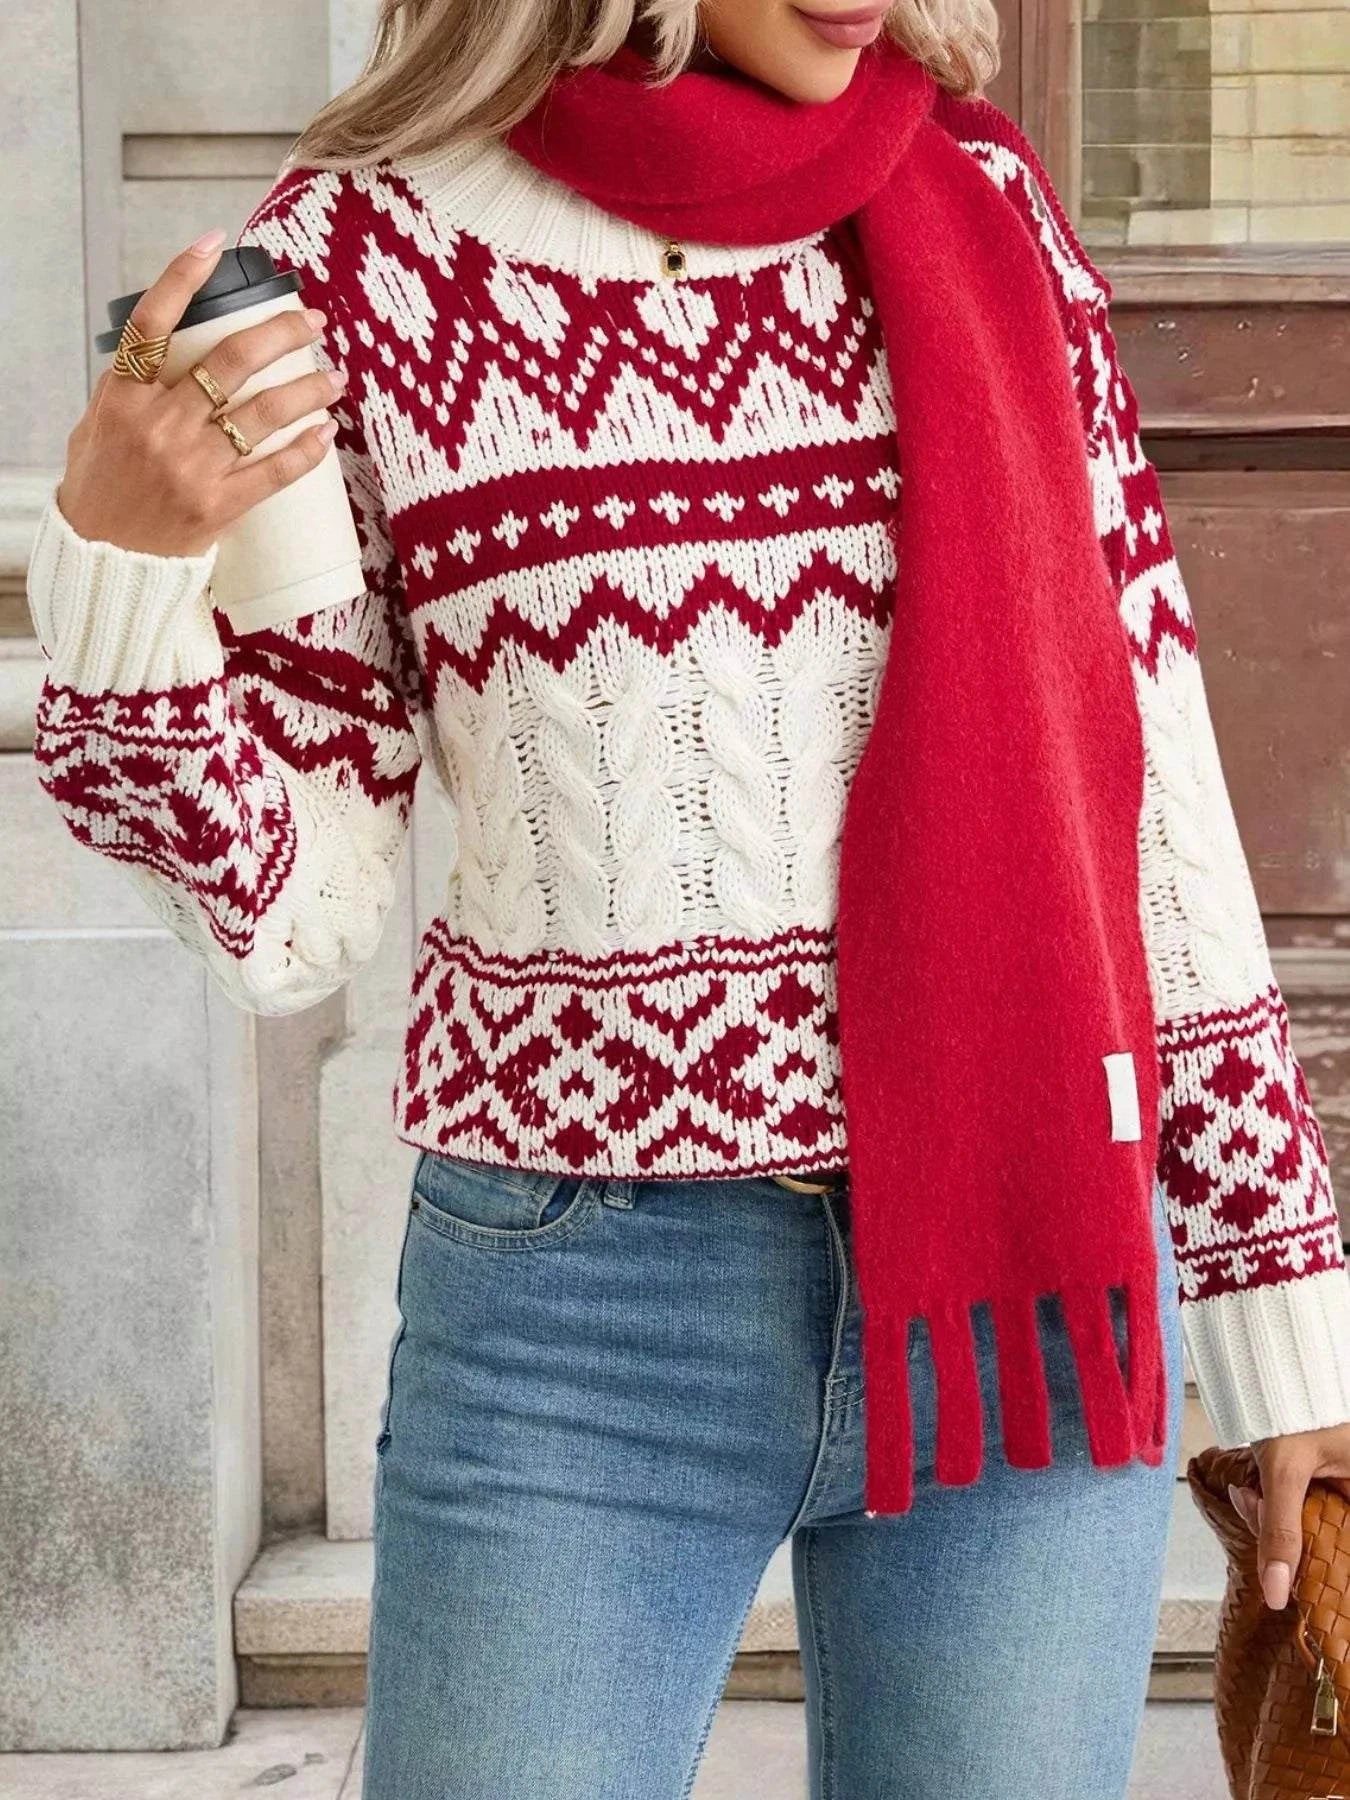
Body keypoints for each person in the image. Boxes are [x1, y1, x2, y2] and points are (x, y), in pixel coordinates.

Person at [26, 2, 1350, 1795]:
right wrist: (117, 568)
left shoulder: (981, 202)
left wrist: (1282, 1313)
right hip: (586, 1321)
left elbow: (1154, 794)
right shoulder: (356, 260)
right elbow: (296, 918)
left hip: (1026, 1282)